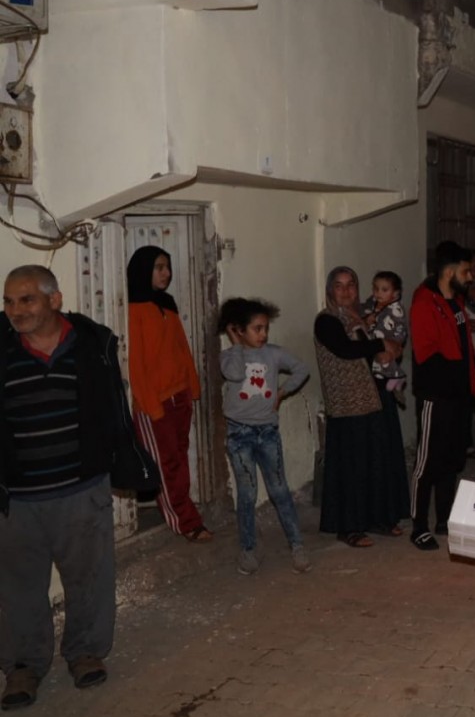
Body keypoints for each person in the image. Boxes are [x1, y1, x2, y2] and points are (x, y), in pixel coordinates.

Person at [0, 266, 127, 709]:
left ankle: (85, 651)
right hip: (16, 499)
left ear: (54, 301)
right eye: (9, 301)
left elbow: (114, 409)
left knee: (89, 578)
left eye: (27, 299)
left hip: (80, 488)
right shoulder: (2, 352)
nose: (16, 311)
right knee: (16, 587)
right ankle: (22, 666)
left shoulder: (92, 347)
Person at [314, 267, 407, 547]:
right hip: (347, 404)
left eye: (351, 285)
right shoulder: (327, 320)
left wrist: (384, 345)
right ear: (330, 290)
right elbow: (345, 349)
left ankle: (376, 519)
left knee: (376, 461)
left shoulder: (362, 318)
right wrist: (381, 343)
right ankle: (349, 526)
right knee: (351, 467)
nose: (345, 291)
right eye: (339, 286)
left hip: (371, 398)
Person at [218, 298, 312, 576]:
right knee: (246, 494)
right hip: (239, 433)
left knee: (279, 490)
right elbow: (234, 373)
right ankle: (247, 550)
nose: (263, 334)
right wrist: (236, 344)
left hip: (267, 432)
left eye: (265, 328)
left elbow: (302, 369)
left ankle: (297, 545)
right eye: (257, 329)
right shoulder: (230, 357)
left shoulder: (274, 353)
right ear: (238, 330)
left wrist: (282, 392)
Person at [126, 245, 211, 543]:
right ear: (144, 270)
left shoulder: (167, 304)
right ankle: (185, 521)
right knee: (166, 464)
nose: (166, 273)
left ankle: (185, 511)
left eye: (168, 267)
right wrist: (152, 407)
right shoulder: (133, 309)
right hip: (155, 403)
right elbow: (136, 364)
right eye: (159, 267)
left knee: (180, 459)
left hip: (180, 397)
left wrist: (193, 388)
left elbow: (182, 350)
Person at [409, 241, 475, 551]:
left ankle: (445, 518)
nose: (471, 277)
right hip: (436, 397)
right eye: (466, 271)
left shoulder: (455, 302)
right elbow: (428, 355)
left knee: (451, 461)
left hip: (458, 397)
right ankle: (418, 525)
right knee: (427, 463)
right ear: (449, 271)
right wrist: (454, 382)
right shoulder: (425, 303)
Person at [362, 271, 409, 406]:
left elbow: (401, 327)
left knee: (385, 358)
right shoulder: (373, 303)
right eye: (375, 289)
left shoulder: (396, 309)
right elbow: (364, 311)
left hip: (391, 340)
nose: (378, 293)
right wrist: (367, 319)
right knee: (378, 364)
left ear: (395, 293)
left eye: (384, 290)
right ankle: (384, 376)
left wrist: (396, 343)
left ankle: (398, 376)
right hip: (376, 340)